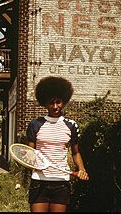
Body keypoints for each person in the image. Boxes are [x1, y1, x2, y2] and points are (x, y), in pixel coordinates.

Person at [26, 76, 89, 212]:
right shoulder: (35, 124)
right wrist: (31, 162)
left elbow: (76, 152)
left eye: (58, 102)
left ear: (63, 102)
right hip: (39, 182)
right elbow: (29, 154)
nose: (55, 106)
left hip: (61, 183)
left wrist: (81, 170)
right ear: (45, 103)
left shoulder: (71, 126)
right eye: (51, 103)